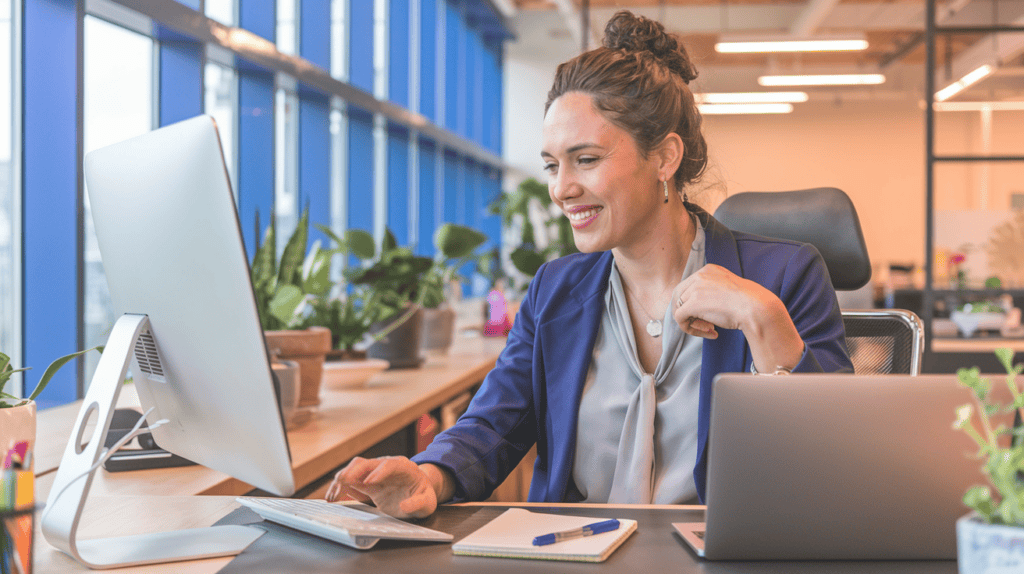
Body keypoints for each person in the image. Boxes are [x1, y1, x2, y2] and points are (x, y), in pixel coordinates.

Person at [325, 10, 852, 518]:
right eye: (553, 165)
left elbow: (831, 465)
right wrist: (430, 476)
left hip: (713, 556)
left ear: (665, 158)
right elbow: (495, 423)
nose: (561, 189)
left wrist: (764, 318)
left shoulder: (783, 277)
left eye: (586, 159)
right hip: (574, 551)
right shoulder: (556, 288)